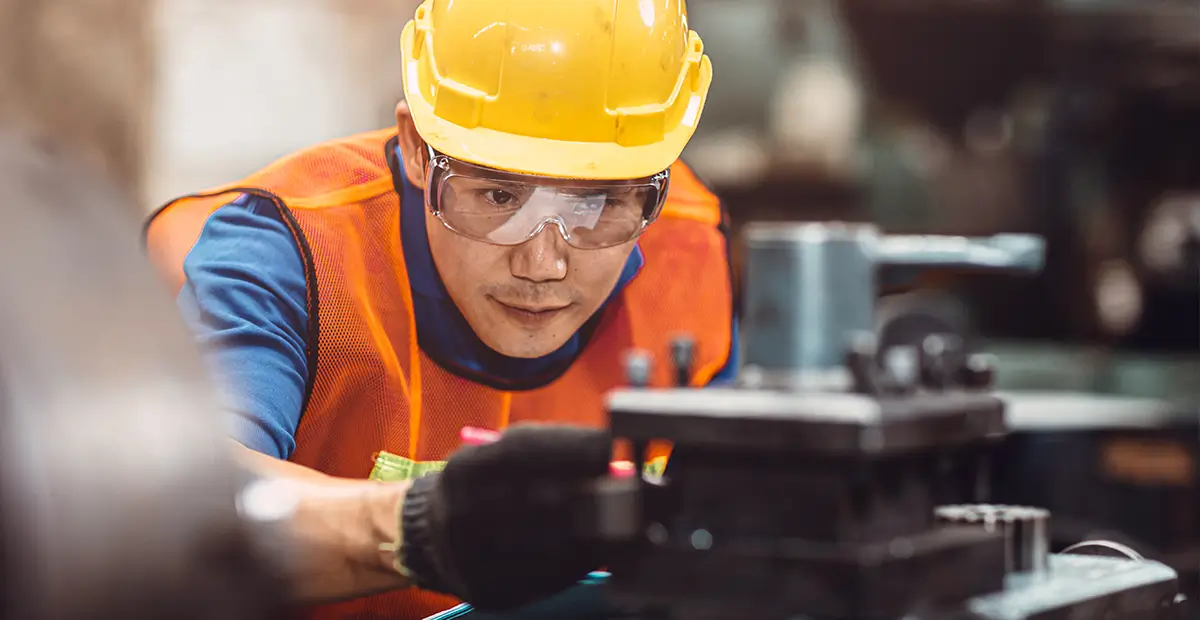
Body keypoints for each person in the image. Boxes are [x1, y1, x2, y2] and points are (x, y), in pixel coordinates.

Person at [144, 0, 735, 618]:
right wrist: (418, 526)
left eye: (600, 203)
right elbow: (193, 513)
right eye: (500, 195)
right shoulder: (293, 254)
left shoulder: (688, 257)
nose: (543, 265)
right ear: (418, 150)